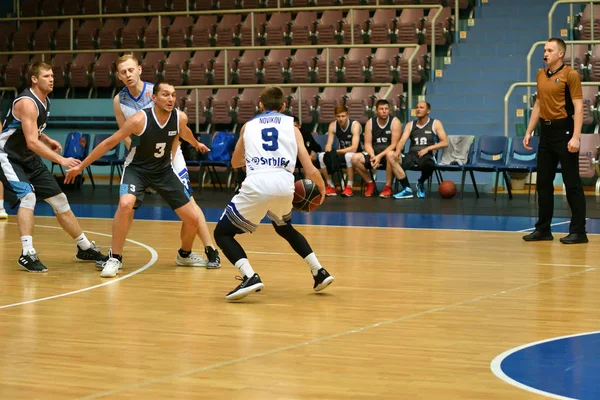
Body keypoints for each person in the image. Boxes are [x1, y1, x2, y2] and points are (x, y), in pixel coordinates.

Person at [66, 82, 205, 277]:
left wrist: (196, 143)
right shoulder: (139, 119)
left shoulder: (179, 117)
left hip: (164, 171)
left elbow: (185, 132)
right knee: (125, 204)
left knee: (193, 218)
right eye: (165, 94)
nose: (170, 98)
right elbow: (109, 143)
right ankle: (115, 257)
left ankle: (184, 255)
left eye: (173, 95)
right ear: (154, 99)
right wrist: (81, 166)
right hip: (136, 170)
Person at [213, 86, 334, 301]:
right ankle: (319, 271)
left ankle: (249, 276)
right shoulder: (292, 126)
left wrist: (253, 158)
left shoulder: (248, 127)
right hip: (285, 184)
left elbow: (234, 163)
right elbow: (309, 168)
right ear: (284, 106)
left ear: (260, 105)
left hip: (258, 182)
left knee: (221, 234)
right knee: (284, 227)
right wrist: (321, 190)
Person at [114, 54, 221, 268]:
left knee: (188, 200)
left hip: (170, 154)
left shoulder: (158, 92)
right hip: (142, 158)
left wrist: (168, 160)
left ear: (139, 70)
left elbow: (175, 131)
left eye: (131, 70)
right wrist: (138, 153)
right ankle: (115, 255)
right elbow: (124, 133)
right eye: (123, 72)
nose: (128, 75)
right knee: (128, 204)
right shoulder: (119, 100)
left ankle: (209, 247)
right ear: (119, 75)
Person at [0, 62, 107, 272]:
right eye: (47, 76)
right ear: (34, 79)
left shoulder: (45, 100)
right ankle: (27, 253)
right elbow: (30, 141)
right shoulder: (27, 102)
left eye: (52, 76)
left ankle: (84, 247)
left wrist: (46, 139)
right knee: (28, 196)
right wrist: (62, 160)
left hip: (29, 157)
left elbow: (30, 129)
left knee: (60, 199)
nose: (51, 79)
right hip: (8, 156)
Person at [523, 38, 588, 244]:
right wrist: (529, 131)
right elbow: (538, 104)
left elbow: (579, 107)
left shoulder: (571, 75)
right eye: (544, 49)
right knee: (543, 182)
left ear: (561, 54)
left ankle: (578, 231)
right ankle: (543, 229)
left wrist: (576, 136)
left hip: (565, 130)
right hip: (546, 132)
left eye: (550, 50)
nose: (546, 53)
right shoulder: (540, 75)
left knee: (572, 183)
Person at [388, 101, 448, 199]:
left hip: (426, 155)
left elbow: (445, 142)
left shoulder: (435, 123)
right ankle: (407, 189)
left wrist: (427, 149)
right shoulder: (410, 124)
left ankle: (420, 182)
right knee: (391, 155)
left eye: (421, 107)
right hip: (412, 155)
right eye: (417, 107)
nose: (418, 109)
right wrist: (398, 150)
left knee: (430, 164)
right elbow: (402, 140)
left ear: (428, 111)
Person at [351, 99, 401, 198]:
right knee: (354, 159)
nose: (384, 111)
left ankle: (388, 187)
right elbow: (367, 144)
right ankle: (370, 183)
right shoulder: (370, 122)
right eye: (381, 109)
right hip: (375, 152)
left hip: (389, 153)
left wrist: (379, 156)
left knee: (390, 155)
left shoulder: (395, 122)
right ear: (376, 111)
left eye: (386, 109)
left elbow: (394, 144)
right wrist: (373, 155)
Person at [317, 105, 362, 197]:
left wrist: (336, 152)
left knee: (348, 155)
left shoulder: (355, 125)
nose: (340, 119)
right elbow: (329, 144)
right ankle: (330, 185)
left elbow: (354, 148)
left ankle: (349, 186)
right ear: (335, 116)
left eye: (343, 116)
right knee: (322, 156)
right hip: (341, 152)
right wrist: (329, 153)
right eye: (338, 116)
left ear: (347, 116)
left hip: (356, 154)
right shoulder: (333, 125)